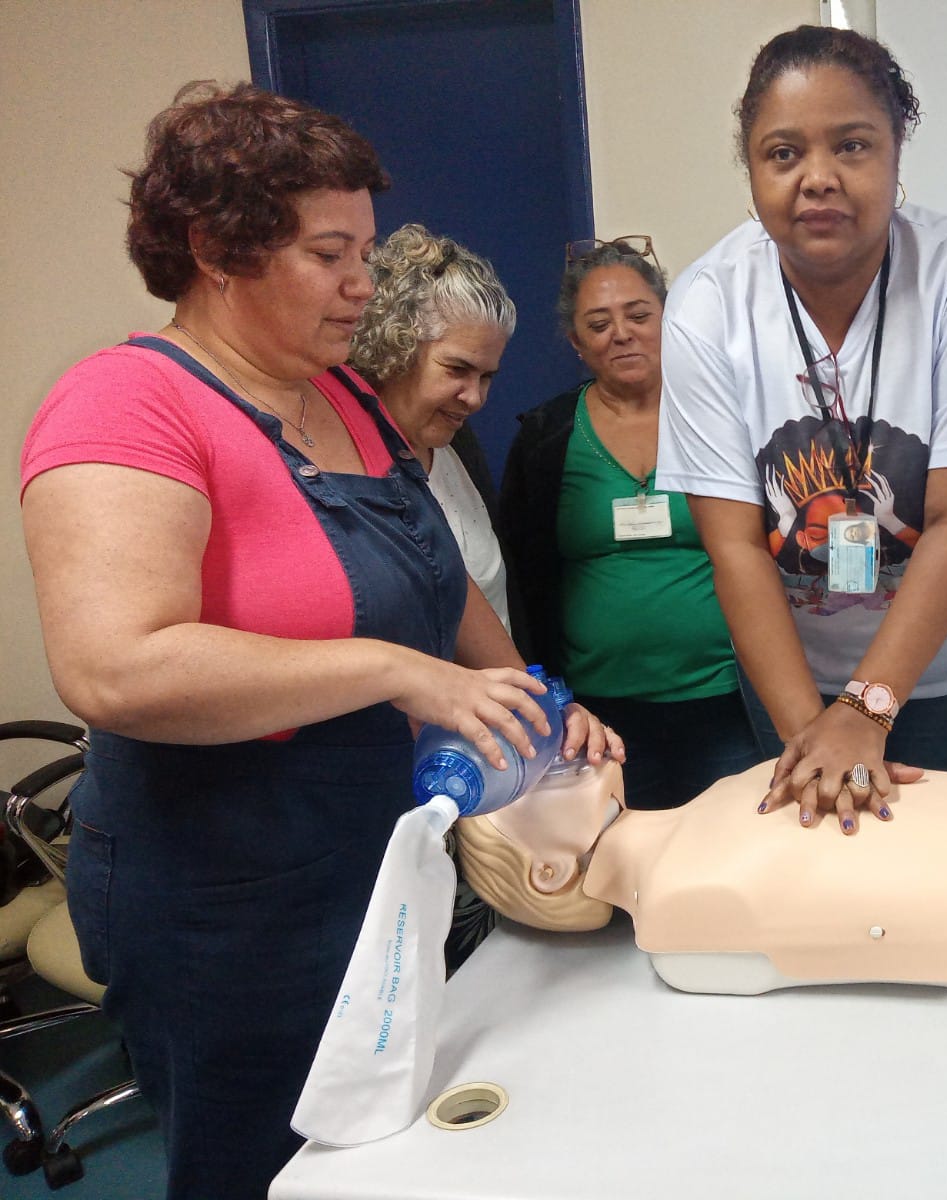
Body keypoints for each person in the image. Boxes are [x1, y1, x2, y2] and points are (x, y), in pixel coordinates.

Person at [19, 82, 622, 1199]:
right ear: (214, 249)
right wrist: (397, 674)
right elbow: (116, 666)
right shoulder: (126, 406)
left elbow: (436, 584)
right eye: (331, 254)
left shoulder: (340, 395)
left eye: (367, 251)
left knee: (381, 1157)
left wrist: (534, 698)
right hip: (222, 894)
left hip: (369, 858)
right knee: (262, 1167)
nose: (364, 286)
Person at [656, 25, 947, 833]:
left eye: (853, 146)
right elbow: (732, 544)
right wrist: (811, 732)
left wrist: (867, 712)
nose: (818, 179)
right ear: (753, 167)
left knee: (911, 862)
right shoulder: (708, 303)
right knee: (814, 853)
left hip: (935, 669)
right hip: (786, 668)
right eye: (784, 153)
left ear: (897, 154)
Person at [500, 238, 761, 809]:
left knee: (729, 864)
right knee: (618, 875)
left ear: (669, 319)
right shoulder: (546, 437)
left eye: (639, 315)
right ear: (576, 342)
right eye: (598, 324)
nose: (621, 333)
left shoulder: (727, 418)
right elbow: (521, 572)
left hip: (729, 701)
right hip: (596, 716)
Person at [349, 223, 515, 632]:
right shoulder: (340, 461)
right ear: (396, 345)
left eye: (487, 377)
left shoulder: (458, 445)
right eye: (457, 369)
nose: (474, 398)